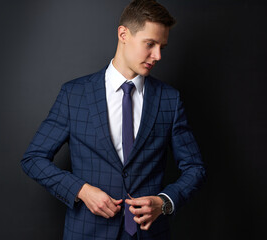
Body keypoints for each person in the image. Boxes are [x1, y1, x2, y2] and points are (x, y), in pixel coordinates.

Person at [21, 0, 206, 239]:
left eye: (162, 47)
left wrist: (164, 202)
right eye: (150, 44)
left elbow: (195, 168)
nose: (158, 55)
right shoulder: (75, 94)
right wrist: (81, 190)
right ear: (123, 34)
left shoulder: (169, 99)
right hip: (87, 232)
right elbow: (33, 159)